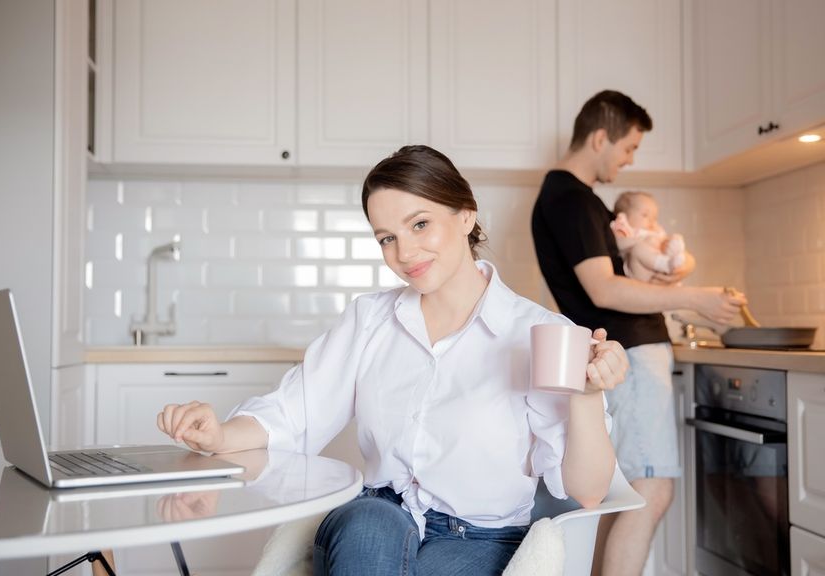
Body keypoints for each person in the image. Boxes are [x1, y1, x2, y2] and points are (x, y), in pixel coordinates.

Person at [158, 145, 630, 576]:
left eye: (420, 224)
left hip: (480, 540)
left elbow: (587, 491)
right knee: (368, 522)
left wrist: (588, 396)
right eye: (386, 237)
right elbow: (292, 414)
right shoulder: (369, 321)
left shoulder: (541, 334)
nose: (404, 252)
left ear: (466, 215)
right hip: (374, 519)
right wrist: (219, 434)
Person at [530, 90, 746, 576]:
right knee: (651, 490)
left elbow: (618, 278)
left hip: (623, 357)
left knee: (623, 496)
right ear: (601, 138)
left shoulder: (577, 201)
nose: (629, 160)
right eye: (628, 148)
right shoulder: (570, 198)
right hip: (630, 356)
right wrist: (696, 298)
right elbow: (604, 290)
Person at [610, 191, 687, 283]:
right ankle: (666, 264)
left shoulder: (654, 230)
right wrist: (642, 240)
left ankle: (674, 258)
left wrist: (667, 242)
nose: (651, 220)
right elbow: (617, 244)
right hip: (640, 272)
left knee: (675, 238)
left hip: (661, 274)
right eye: (645, 215)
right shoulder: (625, 228)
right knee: (639, 249)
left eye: (654, 217)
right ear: (624, 216)